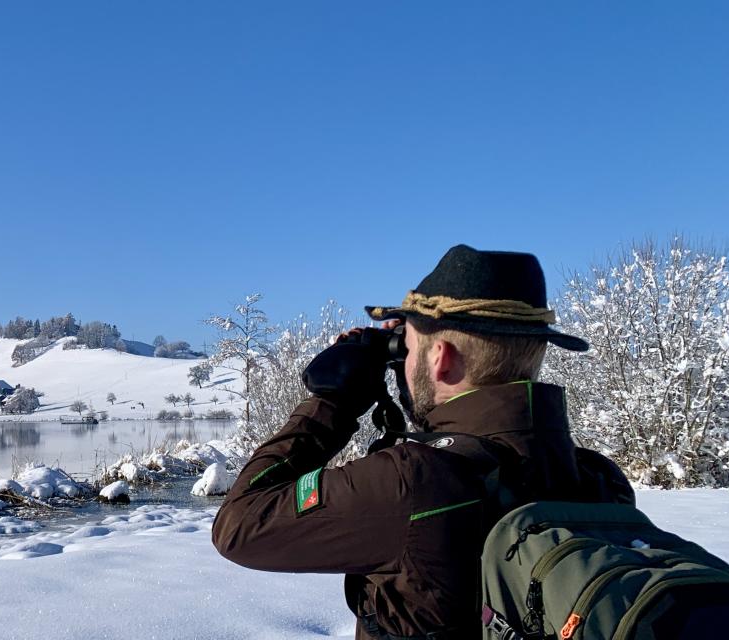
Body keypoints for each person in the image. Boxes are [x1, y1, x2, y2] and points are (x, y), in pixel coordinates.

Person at [211, 245, 632, 640]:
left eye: (408, 349)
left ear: (441, 357)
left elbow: (239, 527)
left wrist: (332, 402)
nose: (402, 359)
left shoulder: (412, 482)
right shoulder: (599, 481)